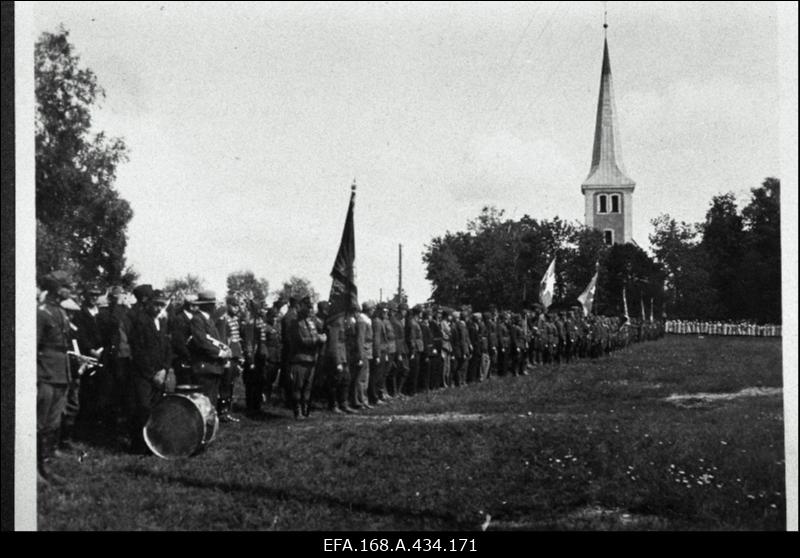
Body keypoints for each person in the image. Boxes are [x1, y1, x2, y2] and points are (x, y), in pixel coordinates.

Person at [37, 271, 74, 484]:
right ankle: (36, 471)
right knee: (39, 423)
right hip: (46, 374)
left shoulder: (59, 311)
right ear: (55, 288)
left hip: (60, 372)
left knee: (52, 423)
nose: (69, 289)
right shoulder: (41, 313)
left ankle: (46, 467)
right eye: (66, 285)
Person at [127, 288, 172, 454]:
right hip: (143, 375)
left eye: (162, 305)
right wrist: (152, 373)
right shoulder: (140, 322)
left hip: (159, 373)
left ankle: (153, 443)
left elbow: (167, 347)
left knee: (155, 409)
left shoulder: (162, 321)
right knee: (142, 409)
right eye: (156, 304)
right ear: (148, 304)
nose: (159, 308)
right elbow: (138, 352)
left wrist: (165, 369)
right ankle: (138, 445)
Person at [188, 290, 232, 412]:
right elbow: (201, 342)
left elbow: (214, 340)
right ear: (206, 305)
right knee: (204, 401)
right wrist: (220, 353)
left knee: (211, 401)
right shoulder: (198, 319)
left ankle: (209, 426)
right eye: (212, 304)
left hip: (213, 366)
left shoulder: (208, 320)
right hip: (205, 367)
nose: (214, 306)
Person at [286, 293, 326, 418]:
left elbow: (319, 330)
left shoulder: (312, 322)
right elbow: (302, 341)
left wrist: (321, 336)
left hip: (311, 359)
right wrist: (319, 339)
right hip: (299, 359)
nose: (310, 310)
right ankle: (297, 412)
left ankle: (305, 410)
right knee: (298, 386)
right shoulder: (295, 324)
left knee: (308, 387)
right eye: (307, 307)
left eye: (311, 307)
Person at [215, 295, 246, 422]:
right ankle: (222, 411)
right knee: (225, 385)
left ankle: (227, 410)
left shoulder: (235, 319)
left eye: (238, 305)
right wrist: (226, 358)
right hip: (228, 356)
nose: (236, 308)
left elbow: (236, 340)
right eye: (234, 305)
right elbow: (223, 340)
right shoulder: (224, 319)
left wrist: (240, 356)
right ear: (228, 305)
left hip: (235, 355)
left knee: (231, 384)